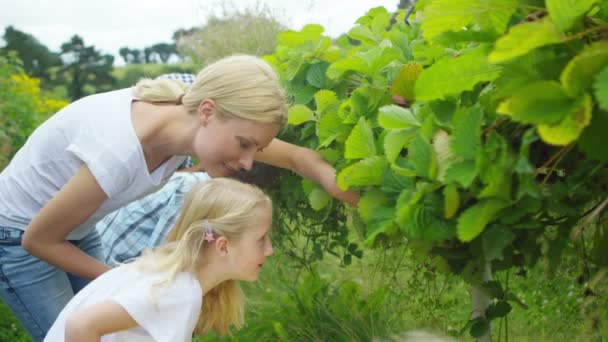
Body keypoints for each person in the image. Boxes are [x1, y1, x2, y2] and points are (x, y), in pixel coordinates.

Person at [0, 54, 358, 341]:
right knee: (74, 331)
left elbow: (299, 158)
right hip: (18, 238)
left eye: (257, 148)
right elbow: (38, 239)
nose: (249, 162)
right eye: (245, 145)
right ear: (206, 112)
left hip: (76, 228)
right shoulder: (120, 153)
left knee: (116, 326)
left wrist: (347, 189)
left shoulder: (189, 111)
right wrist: (132, 280)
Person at [45, 177, 274, 341]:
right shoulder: (178, 290)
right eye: (261, 239)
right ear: (223, 247)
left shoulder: (172, 276)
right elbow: (81, 325)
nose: (270, 250)